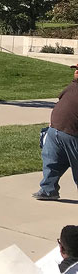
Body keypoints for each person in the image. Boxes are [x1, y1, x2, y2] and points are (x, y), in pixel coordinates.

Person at [34, 63, 78, 200]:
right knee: (51, 161)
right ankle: (48, 190)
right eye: (76, 69)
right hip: (56, 131)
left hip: (73, 134)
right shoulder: (73, 85)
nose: (76, 72)